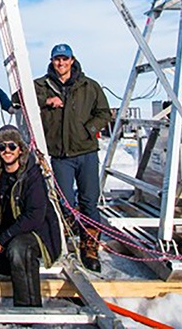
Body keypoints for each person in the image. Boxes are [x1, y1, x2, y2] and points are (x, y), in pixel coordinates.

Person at [35, 43, 111, 272]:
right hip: (60, 155)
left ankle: (89, 247)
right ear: (52, 61)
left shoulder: (89, 86)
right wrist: (46, 102)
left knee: (89, 200)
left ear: (72, 60)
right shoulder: (42, 85)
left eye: (64, 59)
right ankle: (64, 241)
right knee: (64, 201)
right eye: (57, 59)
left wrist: (90, 128)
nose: (61, 63)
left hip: (86, 152)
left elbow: (105, 113)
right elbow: (18, 99)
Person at [0, 125, 62, 308]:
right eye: (2, 147)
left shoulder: (32, 176)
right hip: (7, 231)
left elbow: (35, 216)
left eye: (11, 146)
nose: (7, 151)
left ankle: (29, 308)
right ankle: (21, 268)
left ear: (20, 149)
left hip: (35, 232)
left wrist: (4, 238)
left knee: (18, 249)